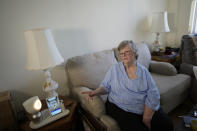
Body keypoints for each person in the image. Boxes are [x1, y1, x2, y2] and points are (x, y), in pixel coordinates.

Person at [82, 40, 174, 131]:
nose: (123, 56)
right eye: (121, 53)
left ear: (134, 53)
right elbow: (105, 86)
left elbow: (153, 94)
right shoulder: (115, 69)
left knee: (167, 124)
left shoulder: (143, 71)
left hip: (141, 106)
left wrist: (147, 117)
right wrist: (95, 92)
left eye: (127, 52)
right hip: (119, 106)